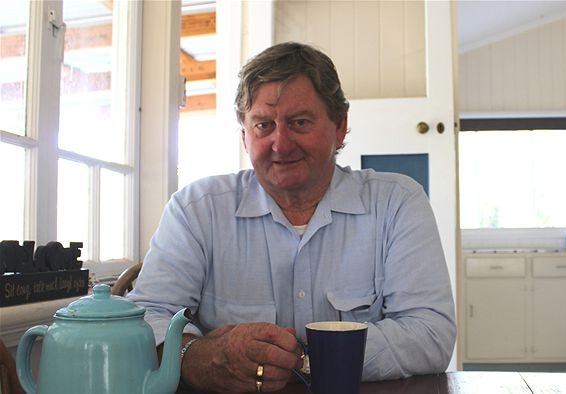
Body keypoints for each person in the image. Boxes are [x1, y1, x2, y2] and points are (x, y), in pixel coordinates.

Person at [128, 41, 456, 393]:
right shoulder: (196, 209)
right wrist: (200, 356)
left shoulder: (396, 203)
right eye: (263, 126)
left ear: (340, 126)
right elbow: (143, 320)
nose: (280, 144)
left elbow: (430, 334)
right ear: (244, 135)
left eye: (300, 122)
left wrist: (300, 358)